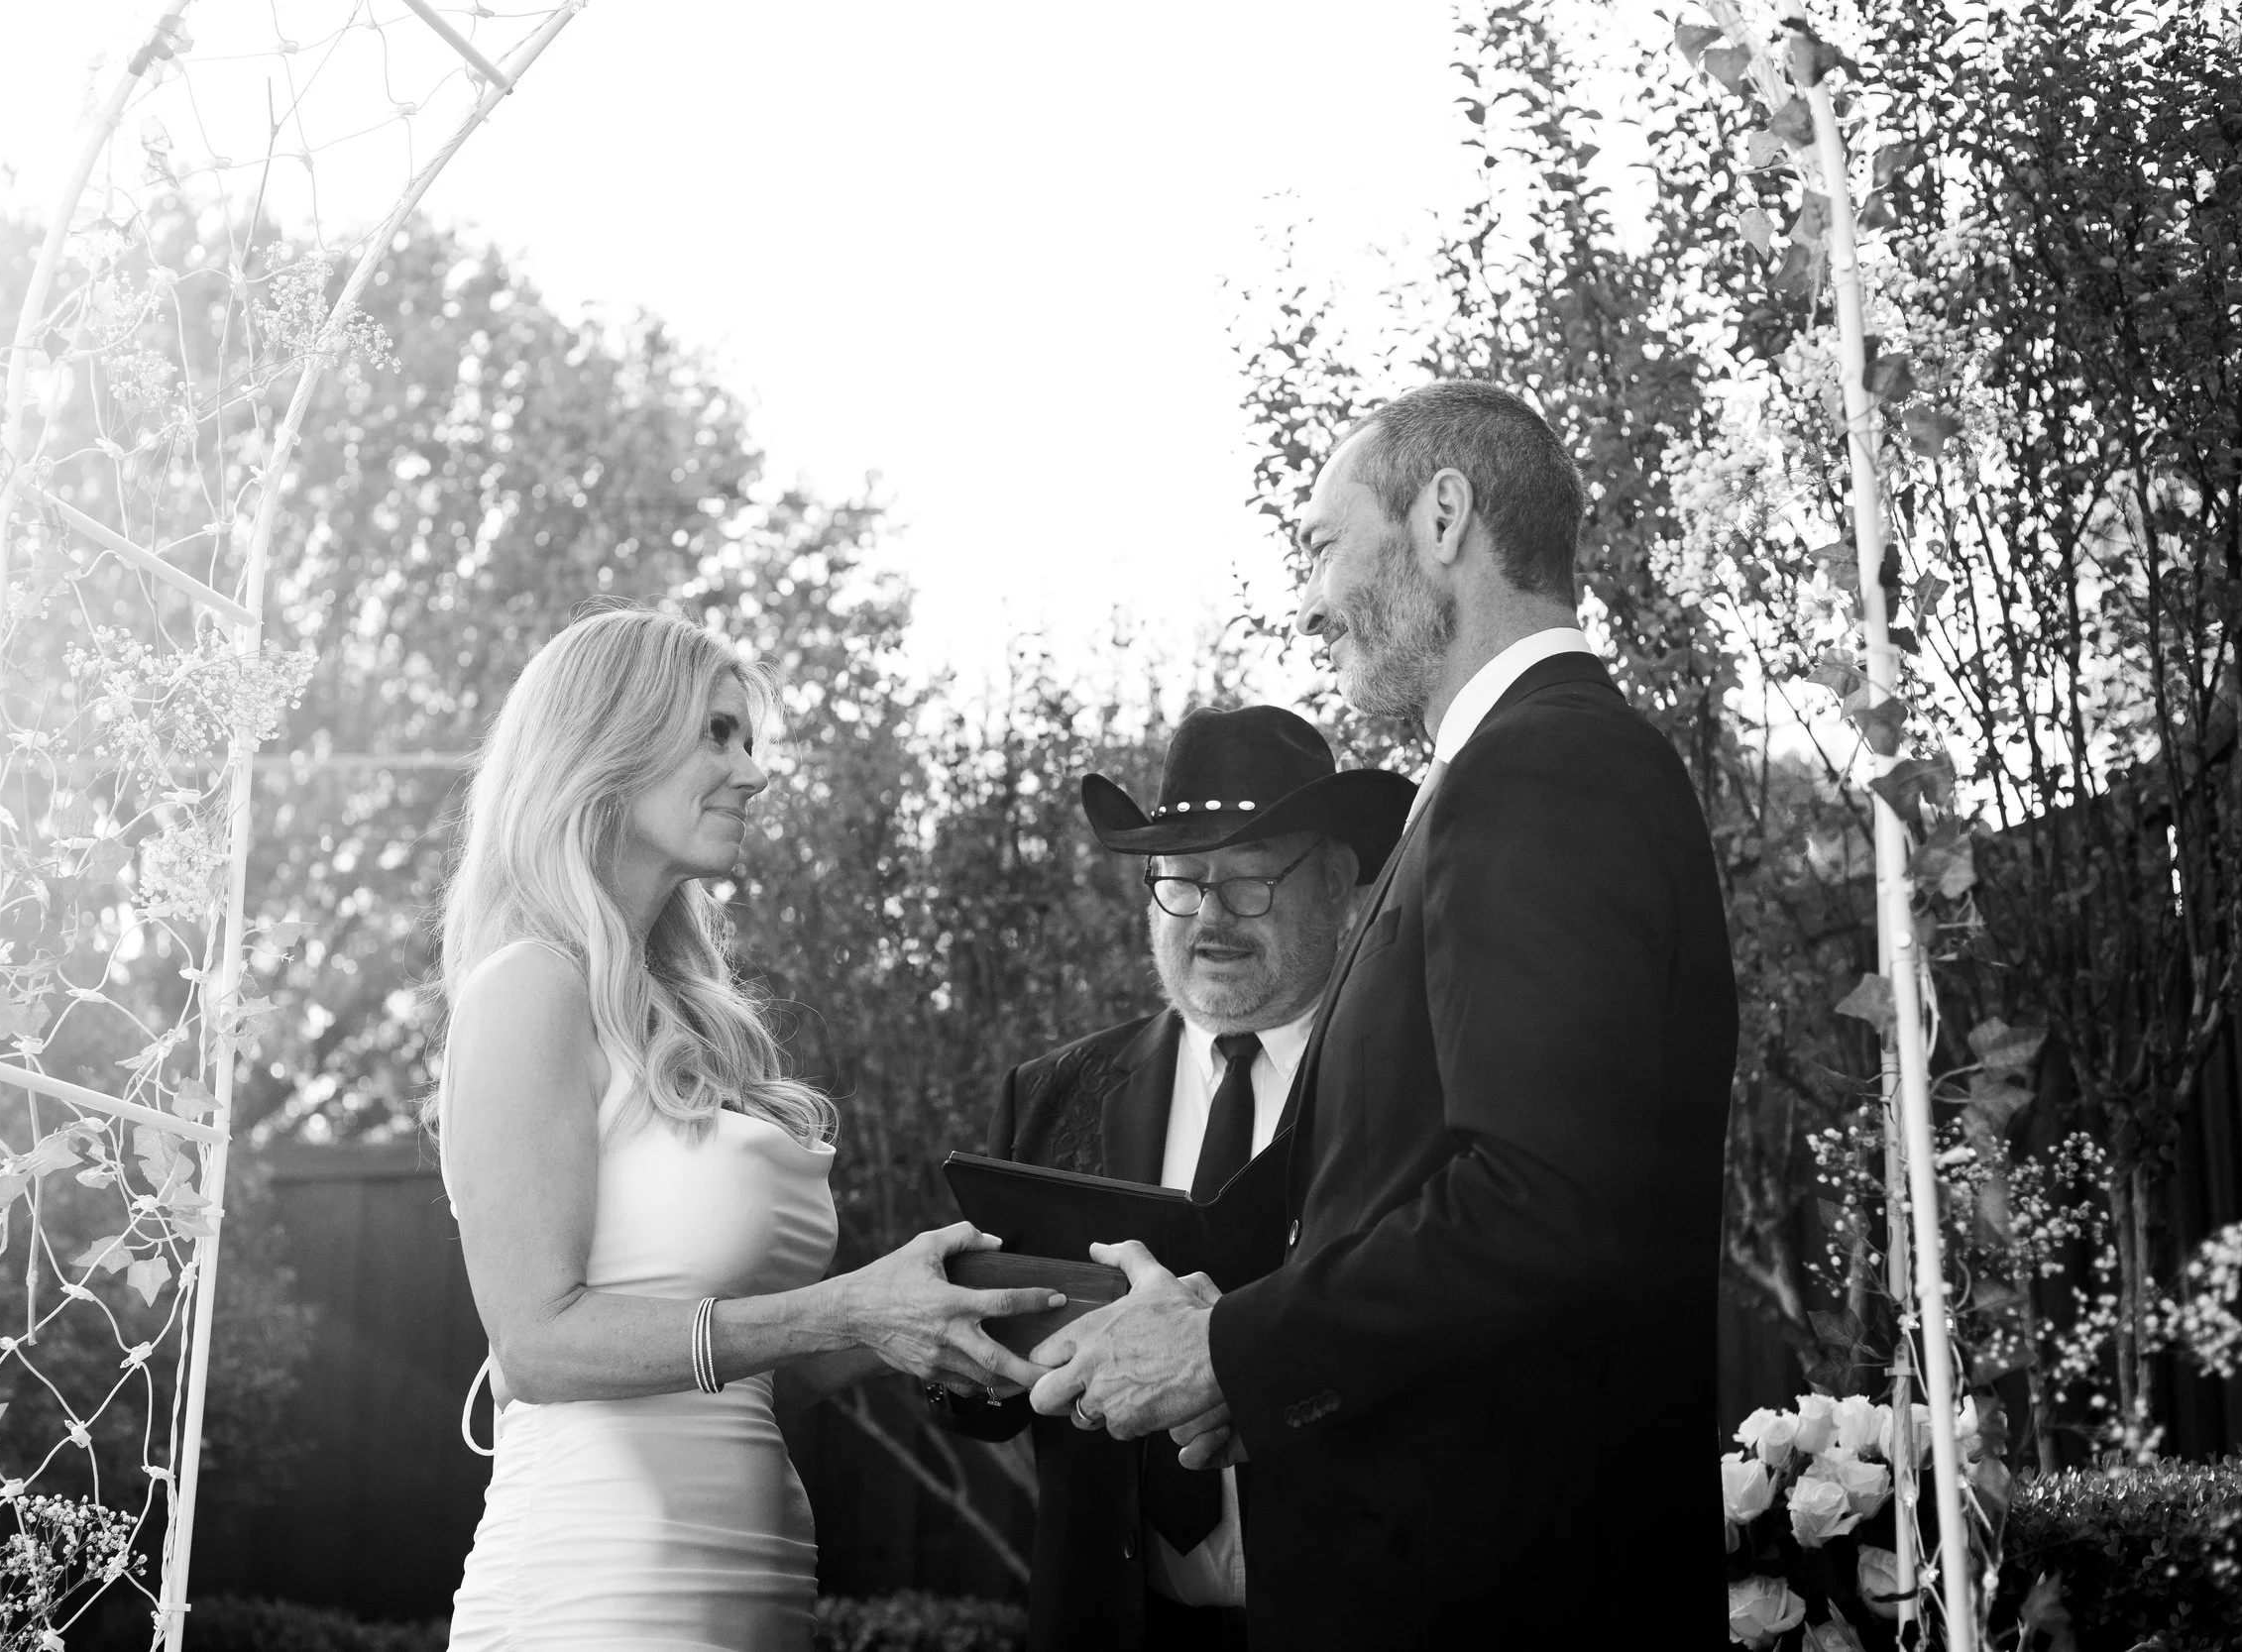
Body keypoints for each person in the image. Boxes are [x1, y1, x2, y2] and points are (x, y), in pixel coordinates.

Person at [1028, 382, 1739, 1645]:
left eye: (1319, 541)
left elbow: (1542, 1199)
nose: (1305, 600)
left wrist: (1232, 1351)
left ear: (1443, 515)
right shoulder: (1503, 775)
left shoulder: (1540, 769)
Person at [437, 607, 1062, 1652]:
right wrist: (841, 1305)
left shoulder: (681, 1013)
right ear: (607, 743)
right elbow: (538, 1343)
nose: (754, 771)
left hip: (751, 1589)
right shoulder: (529, 987)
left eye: (749, 737)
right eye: (717, 734)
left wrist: (899, 1322)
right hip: (594, 1594)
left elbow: (749, 1362)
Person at [929, 706, 1411, 1652]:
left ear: (1338, 884)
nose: (1213, 916)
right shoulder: (1048, 1094)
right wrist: (965, 1353)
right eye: (1183, 882)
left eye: (1252, 880)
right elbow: (974, 1394)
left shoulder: (1400, 1098)